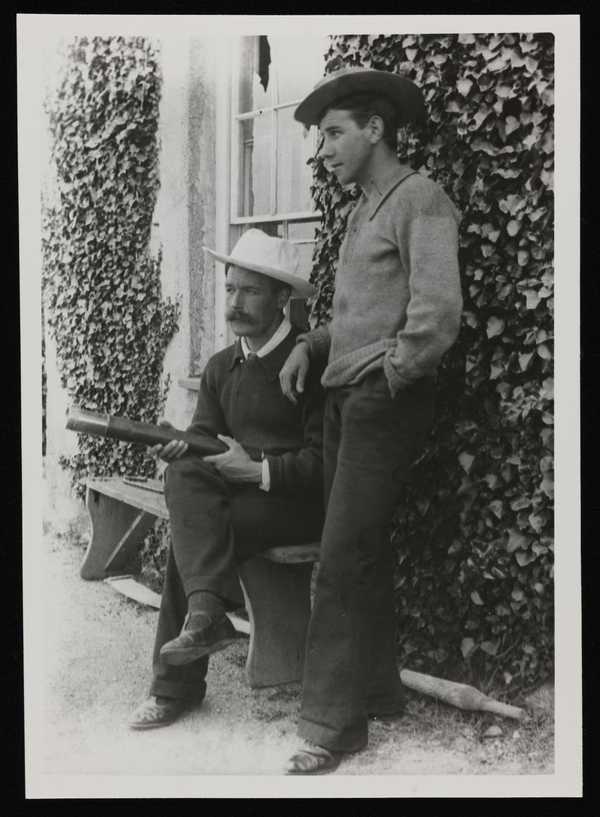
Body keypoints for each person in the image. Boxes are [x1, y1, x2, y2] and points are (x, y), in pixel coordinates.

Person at [279, 67, 463, 774]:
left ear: (375, 129)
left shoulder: (420, 200)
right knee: (364, 546)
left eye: (332, 133)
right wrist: (309, 344)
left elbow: (436, 315)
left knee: (342, 552)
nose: (322, 149)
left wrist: (388, 374)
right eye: (321, 136)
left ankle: (331, 724)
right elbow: (356, 315)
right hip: (344, 400)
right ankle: (379, 690)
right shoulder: (363, 208)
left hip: (384, 404)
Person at [130, 228, 325, 730]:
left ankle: (176, 687)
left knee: (197, 531)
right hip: (236, 497)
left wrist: (256, 470)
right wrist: (183, 449)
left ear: (282, 298)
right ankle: (204, 615)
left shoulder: (310, 365)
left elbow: (326, 465)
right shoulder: (223, 366)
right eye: (230, 289)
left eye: (250, 291)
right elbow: (203, 441)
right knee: (187, 480)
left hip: (294, 503)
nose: (234, 303)